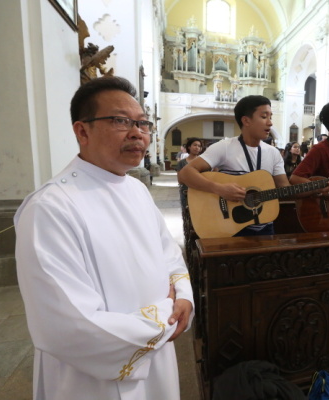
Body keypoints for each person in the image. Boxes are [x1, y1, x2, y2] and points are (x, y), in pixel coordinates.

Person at [14, 76, 194, 400]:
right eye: (120, 121)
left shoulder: (137, 189)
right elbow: (68, 325)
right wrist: (164, 321)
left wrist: (183, 297)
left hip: (157, 357)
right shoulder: (50, 208)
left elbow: (169, 254)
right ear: (82, 131)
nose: (137, 132)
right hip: (92, 379)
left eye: (142, 123)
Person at [178, 95, 329, 236]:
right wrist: (219, 189)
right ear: (246, 120)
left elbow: (286, 191)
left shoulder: (273, 153)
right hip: (229, 228)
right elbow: (185, 174)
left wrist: (318, 187)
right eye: (264, 116)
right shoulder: (225, 147)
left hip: (264, 227)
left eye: (271, 116)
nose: (270, 122)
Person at [176, 137, 203, 208]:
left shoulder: (203, 162)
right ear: (189, 147)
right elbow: (180, 180)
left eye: (199, 146)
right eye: (195, 145)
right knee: (187, 215)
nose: (197, 147)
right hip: (186, 192)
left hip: (200, 191)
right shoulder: (182, 163)